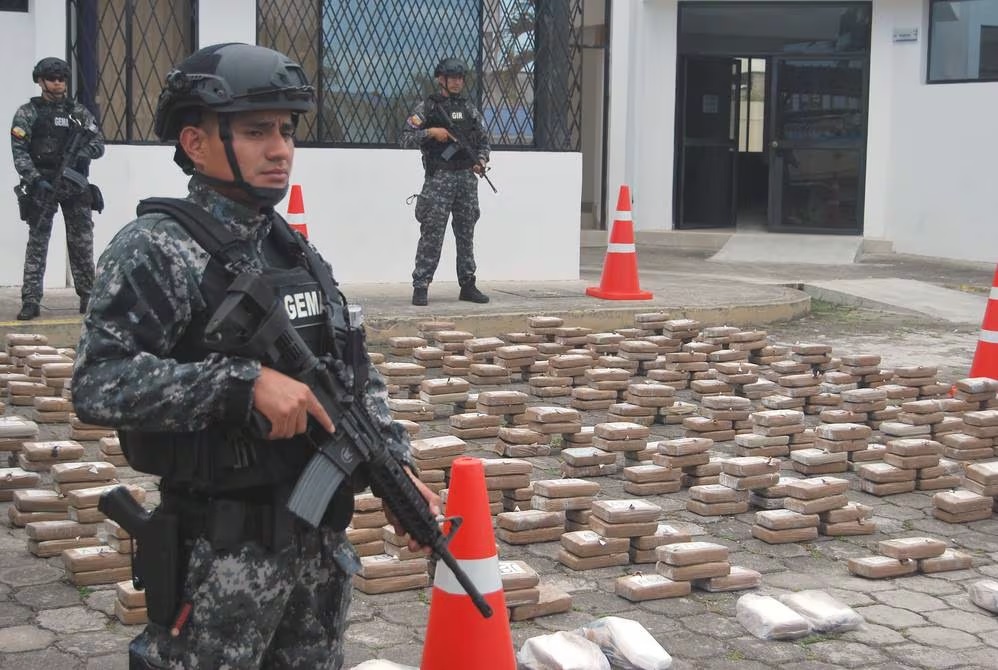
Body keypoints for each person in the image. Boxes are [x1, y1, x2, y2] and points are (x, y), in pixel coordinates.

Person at [71, 43, 438, 670]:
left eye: (287, 131)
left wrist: (397, 470)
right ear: (195, 141)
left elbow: (352, 378)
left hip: (317, 556)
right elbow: (97, 384)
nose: (280, 149)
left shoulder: (292, 251)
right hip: (220, 561)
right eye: (255, 130)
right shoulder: (156, 249)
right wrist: (241, 384)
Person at [10, 56, 104, 320]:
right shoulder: (28, 113)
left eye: (62, 78)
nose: (58, 83)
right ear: (41, 81)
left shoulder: (78, 113)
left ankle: (88, 295)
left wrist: (79, 154)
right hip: (43, 185)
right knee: (38, 243)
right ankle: (31, 300)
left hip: (74, 186)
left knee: (82, 243)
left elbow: (98, 145)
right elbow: (19, 152)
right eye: (52, 78)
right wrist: (34, 178)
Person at [400, 57, 491, 306]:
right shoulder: (428, 108)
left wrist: (480, 160)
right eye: (452, 78)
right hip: (439, 178)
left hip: (465, 178)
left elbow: (484, 141)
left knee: (466, 233)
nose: (457, 82)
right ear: (441, 79)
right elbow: (405, 137)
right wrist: (431, 132)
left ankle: (468, 284)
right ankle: (421, 285)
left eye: (460, 78)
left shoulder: (470, 109)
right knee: (432, 232)